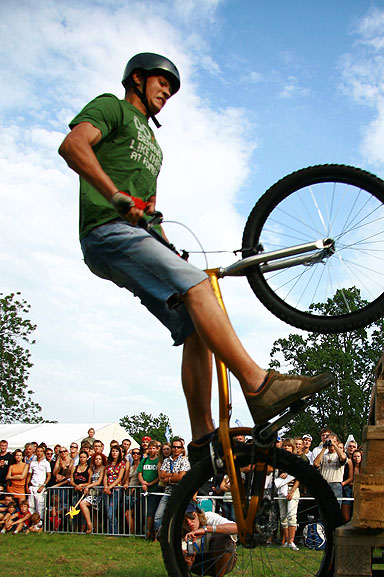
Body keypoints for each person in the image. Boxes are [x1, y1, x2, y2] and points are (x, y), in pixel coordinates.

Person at [58, 52, 332, 465]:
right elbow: (73, 146)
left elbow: (148, 211)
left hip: (134, 235)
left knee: (194, 328)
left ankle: (202, 439)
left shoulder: (154, 147)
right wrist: (114, 196)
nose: (167, 92)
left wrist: (167, 246)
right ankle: (258, 385)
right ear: (137, 79)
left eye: (172, 88)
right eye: (162, 82)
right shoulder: (111, 108)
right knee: (198, 286)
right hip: (107, 230)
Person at [181, 502, 238, 577]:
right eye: (184, 520)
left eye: (191, 516)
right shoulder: (179, 531)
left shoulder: (210, 517)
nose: (189, 522)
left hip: (222, 560)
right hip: (195, 563)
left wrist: (206, 529)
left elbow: (237, 527)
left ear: (197, 514)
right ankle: (181, 576)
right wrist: (186, 564)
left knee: (223, 538)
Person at [154, 438, 190, 536]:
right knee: (158, 516)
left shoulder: (184, 461)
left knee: (176, 517)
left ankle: (174, 537)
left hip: (179, 493)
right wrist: (173, 476)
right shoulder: (167, 460)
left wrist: (168, 479)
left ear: (182, 449)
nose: (176, 449)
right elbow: (162, 476)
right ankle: (158, 536)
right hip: (167, 492)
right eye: (174, 447)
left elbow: (181, 477)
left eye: (178, 447)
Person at [137, 439, 162, 539]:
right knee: (145, 512)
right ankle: (147, 531)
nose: (151, 450)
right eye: (150, 448)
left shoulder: (158, 461)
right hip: (144, 490)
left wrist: (150, 484)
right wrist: (143, 482)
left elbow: (159, 476)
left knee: (151, 513)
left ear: (157, 449)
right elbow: (139, 473)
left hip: (154, 490)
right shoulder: (144, 460)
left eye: (153, 448)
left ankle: (148, 532)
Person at [278, 439, 300, 550]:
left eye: (289, 446)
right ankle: (286, 541)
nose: (286, 448)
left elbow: (299, 478)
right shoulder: (280, 461)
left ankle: (291, 541)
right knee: (283, 516)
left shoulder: (297, 460)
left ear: (293, 447)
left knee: (292, 515)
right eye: (285, 446)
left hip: (293, 489)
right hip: (282, 489)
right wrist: (281, 475)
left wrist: (292, 492)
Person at [313, 432, 346, 501]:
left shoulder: (339, 455)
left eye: (334, 441)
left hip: (335, 484)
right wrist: (324, 448)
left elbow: (343, 458)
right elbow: (315, 464)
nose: (331, 443)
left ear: (337, 442)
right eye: (330, 441)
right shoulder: (323, 456)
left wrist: (334, 444)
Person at [80, 452, 105, 533]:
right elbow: (90, 480)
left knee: (83, 503)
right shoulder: (93, 468)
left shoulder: (103, 468)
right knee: (94, 512)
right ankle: (94, 528)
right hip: (92, 491)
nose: (97, 460)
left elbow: (99, 482)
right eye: (96, 459)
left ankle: (90, 525)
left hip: (99, 492)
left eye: (99, 459)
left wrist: (88, 486)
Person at [103, 445, 126, 535]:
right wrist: (106, 487)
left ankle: (115, 532)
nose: (114, 453)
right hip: (107, 490)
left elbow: (119, 478)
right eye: (113, 451)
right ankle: (110, 531)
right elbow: (105, 476)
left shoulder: (121, 464)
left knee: (111, 512)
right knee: (107, 512)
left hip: (116, 489)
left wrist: (110, 487)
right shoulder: (108, 463)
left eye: (116, 451)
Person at [26, 446, 51, 519]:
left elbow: (49, 476)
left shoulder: (46, 463)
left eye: (41, 451)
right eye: (38, 451)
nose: (39, 453)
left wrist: (43, 485)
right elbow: (29, 475)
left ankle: (40, 522)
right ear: (35, 452)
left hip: (40, 486)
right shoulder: (33, 463)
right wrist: (27, 486)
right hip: (32, 486)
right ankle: (31, 522)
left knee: (40, 507)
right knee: (31, 506)